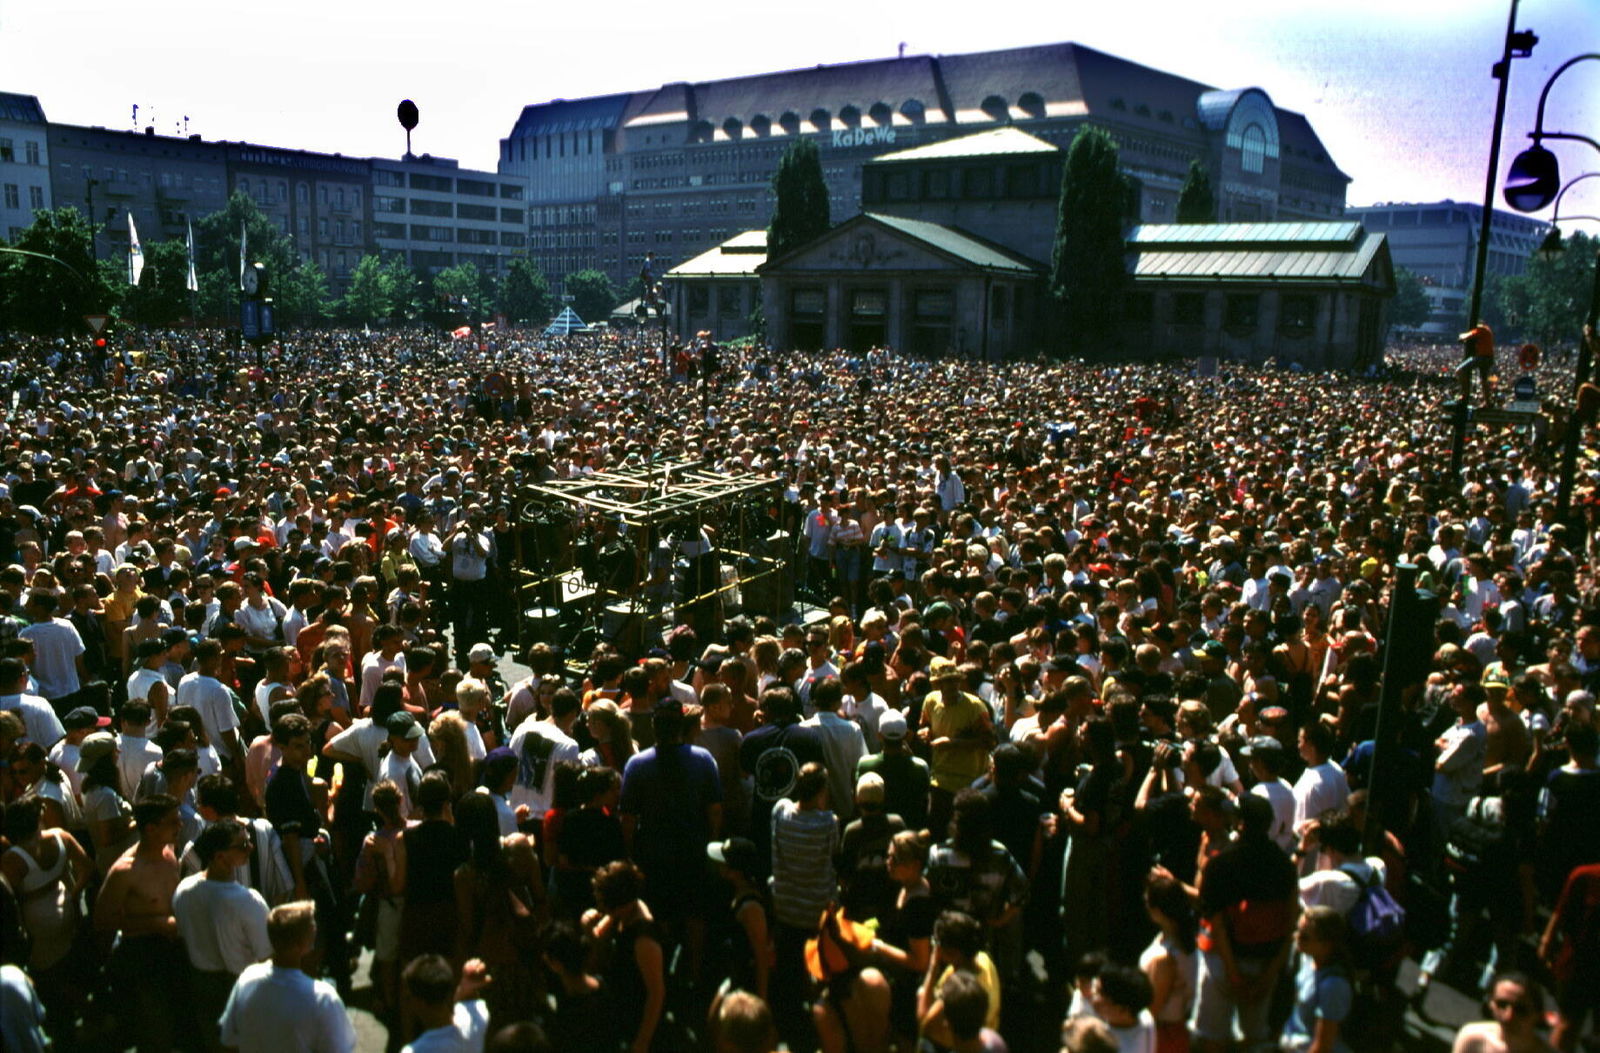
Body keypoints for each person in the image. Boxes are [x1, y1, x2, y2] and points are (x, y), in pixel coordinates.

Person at [171, 818, 272, 1052]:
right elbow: (267, 954)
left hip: (200, 983)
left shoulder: (184, 891)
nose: (251, 847)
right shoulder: (248, 901)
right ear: (219, 857)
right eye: (242, 845)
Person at [94, 793, 185, 1053]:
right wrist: (156, 923)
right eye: (173, 822)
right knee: (154, 1030)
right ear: (151, 828)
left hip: (173, 951)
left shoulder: (170, 852)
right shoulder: (125, 871)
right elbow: (102, 919)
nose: (180, 826)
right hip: (143, 956)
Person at [218, 900, 357, 1053]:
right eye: (313, 940)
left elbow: (228, 1041)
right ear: (301, 947)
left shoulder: (246, 979)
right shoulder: (323, 998)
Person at [585, 860, 666, 1053]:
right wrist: (589, 929)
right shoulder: (624, 911)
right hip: (621, 1003)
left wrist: (642, 1042)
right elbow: (598, 938)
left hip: (637, 1014)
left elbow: (656, 993)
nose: (606, 911)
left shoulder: (644, 940)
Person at [1280, 907, 1354, 1053]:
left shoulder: (1333, 986)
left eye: (1304, 937)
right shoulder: (1306, 959)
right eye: (1297, 931)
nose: (1296, 937)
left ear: (1326, 945)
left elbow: (1322, 1047)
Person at [1140, 872, 1198, 1053]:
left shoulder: (1166, 959)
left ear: (1157, 911)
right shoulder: (1179, 939)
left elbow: (1153, 1009)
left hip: (1163, 1038)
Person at [400, 954, 492, 1053]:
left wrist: (467, 985)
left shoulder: (417, 1050)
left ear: (417, 1001)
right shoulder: (475, 1025)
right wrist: (468, 984)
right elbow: (468, 1001)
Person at [1449, 971, 1555, 1053]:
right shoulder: (1472, 1038)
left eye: (1521, 1010)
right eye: (1502, 1005)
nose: (1509, 1016)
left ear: (1537, 1014)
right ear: (1490, 1004)